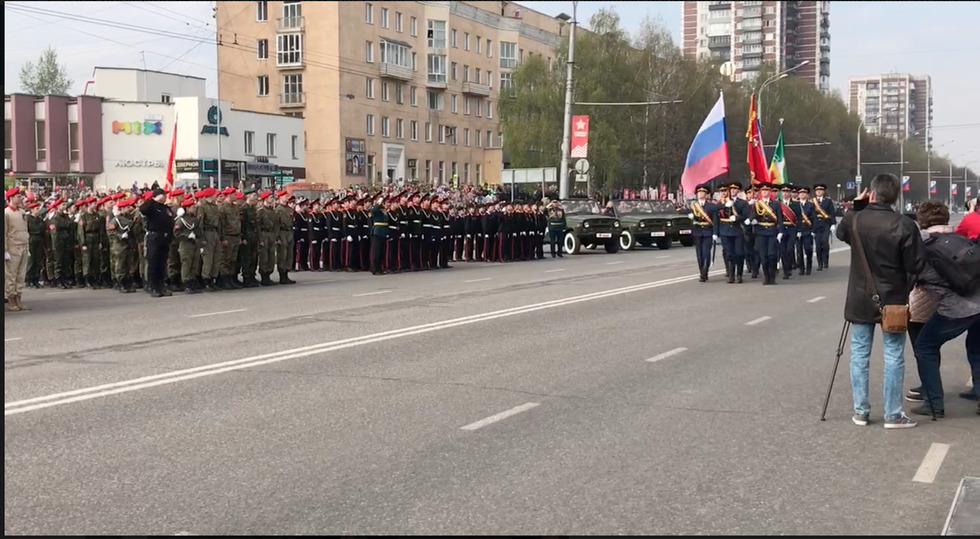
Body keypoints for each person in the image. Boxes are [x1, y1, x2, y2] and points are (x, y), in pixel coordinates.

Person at [836, 173, 925, 428]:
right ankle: (893, 414)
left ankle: (861, 411)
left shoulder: (856, 221)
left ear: (871, 193)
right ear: (896, 196)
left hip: (860, 297)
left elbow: (841, 233)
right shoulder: (904, 224)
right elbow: (916, 264)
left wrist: (856, 205)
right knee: (894, 354)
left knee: (859, 353)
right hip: (893, 299)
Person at [909, 200, 980, 418]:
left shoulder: (923, 246)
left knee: (925, 346)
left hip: (955, 310)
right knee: (977, 347)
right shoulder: (960, 239)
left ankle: (933, 403)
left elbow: (915, 276)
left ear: (921, 221)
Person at [140, 188, 176, 298]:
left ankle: (161, 285)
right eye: (164, 195)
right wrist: (153, 199)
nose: (166, 197)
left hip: (164, 238)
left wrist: (171, 237)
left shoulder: (166, 208)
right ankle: (152, 286)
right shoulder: (152, 206)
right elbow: (143, 209)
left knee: (162, 263)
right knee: (153, 262)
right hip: (154, 237)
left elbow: (170, 222)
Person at [5, 187, 31, 311]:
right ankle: (11, 300)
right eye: (18, 196)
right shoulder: (6, 213)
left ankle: (18, 298)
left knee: (21, 275)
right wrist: (5, 250)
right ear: (11, 198)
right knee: (11, 275)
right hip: (12, 247)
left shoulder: (22, 212)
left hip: (23, 246)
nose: (20, 198)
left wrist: (28, 245)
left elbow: (26, 230)